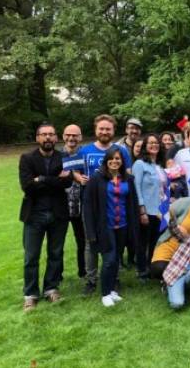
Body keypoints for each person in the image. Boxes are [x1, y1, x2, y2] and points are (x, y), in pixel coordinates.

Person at [19, 123, 72, 311]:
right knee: (31, 256)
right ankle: (31, 294)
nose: (48, 138)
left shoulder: (64, 157)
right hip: (34, 215)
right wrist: (53, 180)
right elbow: (27, 186)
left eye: (51, 134)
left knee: (56, 254)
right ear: (37, 138)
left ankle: (51, 288)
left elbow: (67, 182)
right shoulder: (27, 159)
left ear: (56, 138)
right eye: (44, 135)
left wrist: (40, 179)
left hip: (58, 214)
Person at [78, 114, 132, 294]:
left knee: (115, 244)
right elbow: (73, 171)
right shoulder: (84, 151)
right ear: (95, 129)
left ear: (113, 130)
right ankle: (91, 280)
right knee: (91, 243)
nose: (104, 131)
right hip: (92, 205)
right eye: (101, 128)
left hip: (114, 203)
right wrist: (79, 178)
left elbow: (127, 173)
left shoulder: (121, 150)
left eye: (108, 129)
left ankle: (114, 278)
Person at [83, 147, 140, 307]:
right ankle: (105, 293)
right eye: (112, 158)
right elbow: (87, 206)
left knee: (116, 260)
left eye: (118, 159)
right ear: (106, 160)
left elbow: (133, 202)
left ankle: (113, 291)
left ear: (122, 161)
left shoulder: (127, 179)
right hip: (105, 226)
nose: (115, 161)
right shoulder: (97, 179)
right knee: (108, 260)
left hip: (122, 225)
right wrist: (90, 231)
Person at [151, 185, 190, 278]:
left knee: (178, 270)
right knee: (157, 269)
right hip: (171, 245)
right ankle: (180, 276)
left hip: (189, 253)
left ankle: (175, 279)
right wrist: (176, 226)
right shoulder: (189, 202)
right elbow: (161, 213)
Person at [132, 134, 167, 279]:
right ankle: (141, 271)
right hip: (147, 210)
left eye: (156, 143)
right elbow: (136, 187)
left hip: (160, 211)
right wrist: (142, 210)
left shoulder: (159, 166)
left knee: (155, 241)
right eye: (150, 143)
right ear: (145, 146)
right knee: (143, 242)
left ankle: (151, 268)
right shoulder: (139, 164)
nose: (154, 145)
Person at [61, 124, 86, 279]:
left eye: (75, 135)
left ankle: (83, 271)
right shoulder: (57, 156)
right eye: (68, 135)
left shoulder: (85, 155)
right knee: (57, 243)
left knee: (82, 241)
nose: (71, 138)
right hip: (61, 206)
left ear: (80, 137)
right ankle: (57, 275)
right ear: (63, 136)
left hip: (81, 205)